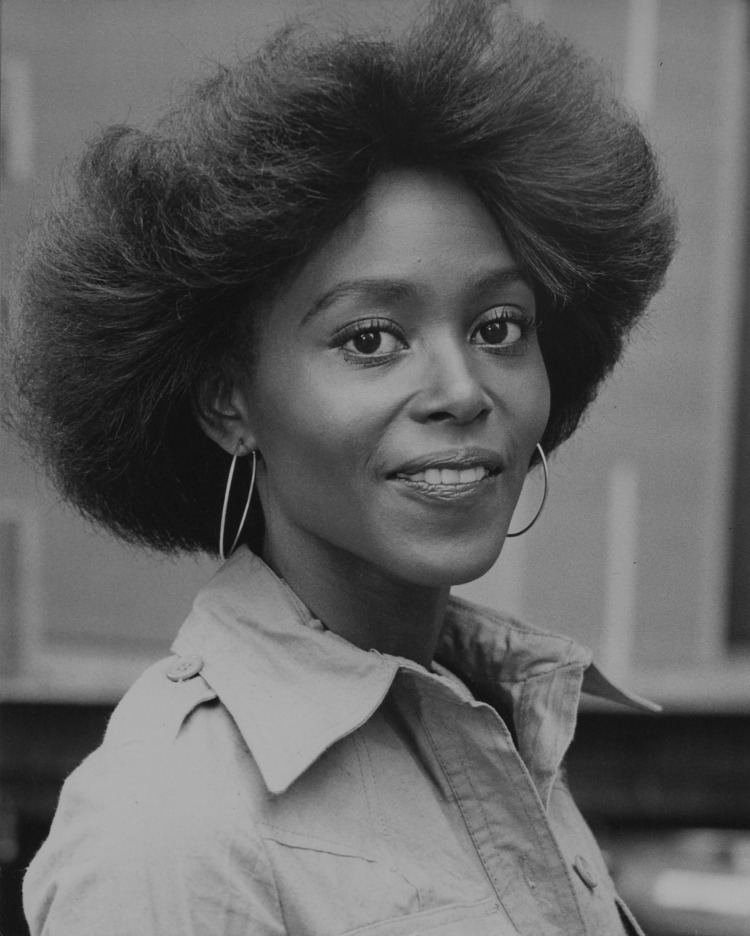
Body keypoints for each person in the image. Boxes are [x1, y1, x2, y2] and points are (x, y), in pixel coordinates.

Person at [6, 1, 676, 933]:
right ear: (226, 403)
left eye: (498, 328)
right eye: (370, 338)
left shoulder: (498, 715)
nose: (462, 388)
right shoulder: (173, 830)